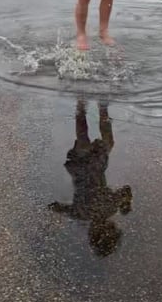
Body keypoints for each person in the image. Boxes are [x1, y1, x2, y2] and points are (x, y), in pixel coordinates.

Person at [48, 97, 133, 256]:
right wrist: (125, 202)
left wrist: (125, 203)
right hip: (90, 169)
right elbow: (58, 208)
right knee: (89, 139)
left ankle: (95, 107)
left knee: (95, 141)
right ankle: (90, 107)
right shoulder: (87, 213)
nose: (102, 227)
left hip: (89, 169)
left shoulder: (105, 210)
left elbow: (126, 190)